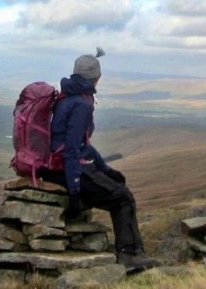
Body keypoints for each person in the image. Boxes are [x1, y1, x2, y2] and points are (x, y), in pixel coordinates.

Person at [40, 48, 160, 271]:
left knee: (119, 189)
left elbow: (82, 144)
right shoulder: (82, 103)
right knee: (123, 198)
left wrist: (105, 168)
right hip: (65, 167)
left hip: (56, 164)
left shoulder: (68, 94)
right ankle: (129, 255)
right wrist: (74, 191)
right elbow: (73, 149)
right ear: (97, 77)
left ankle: (132, 253)